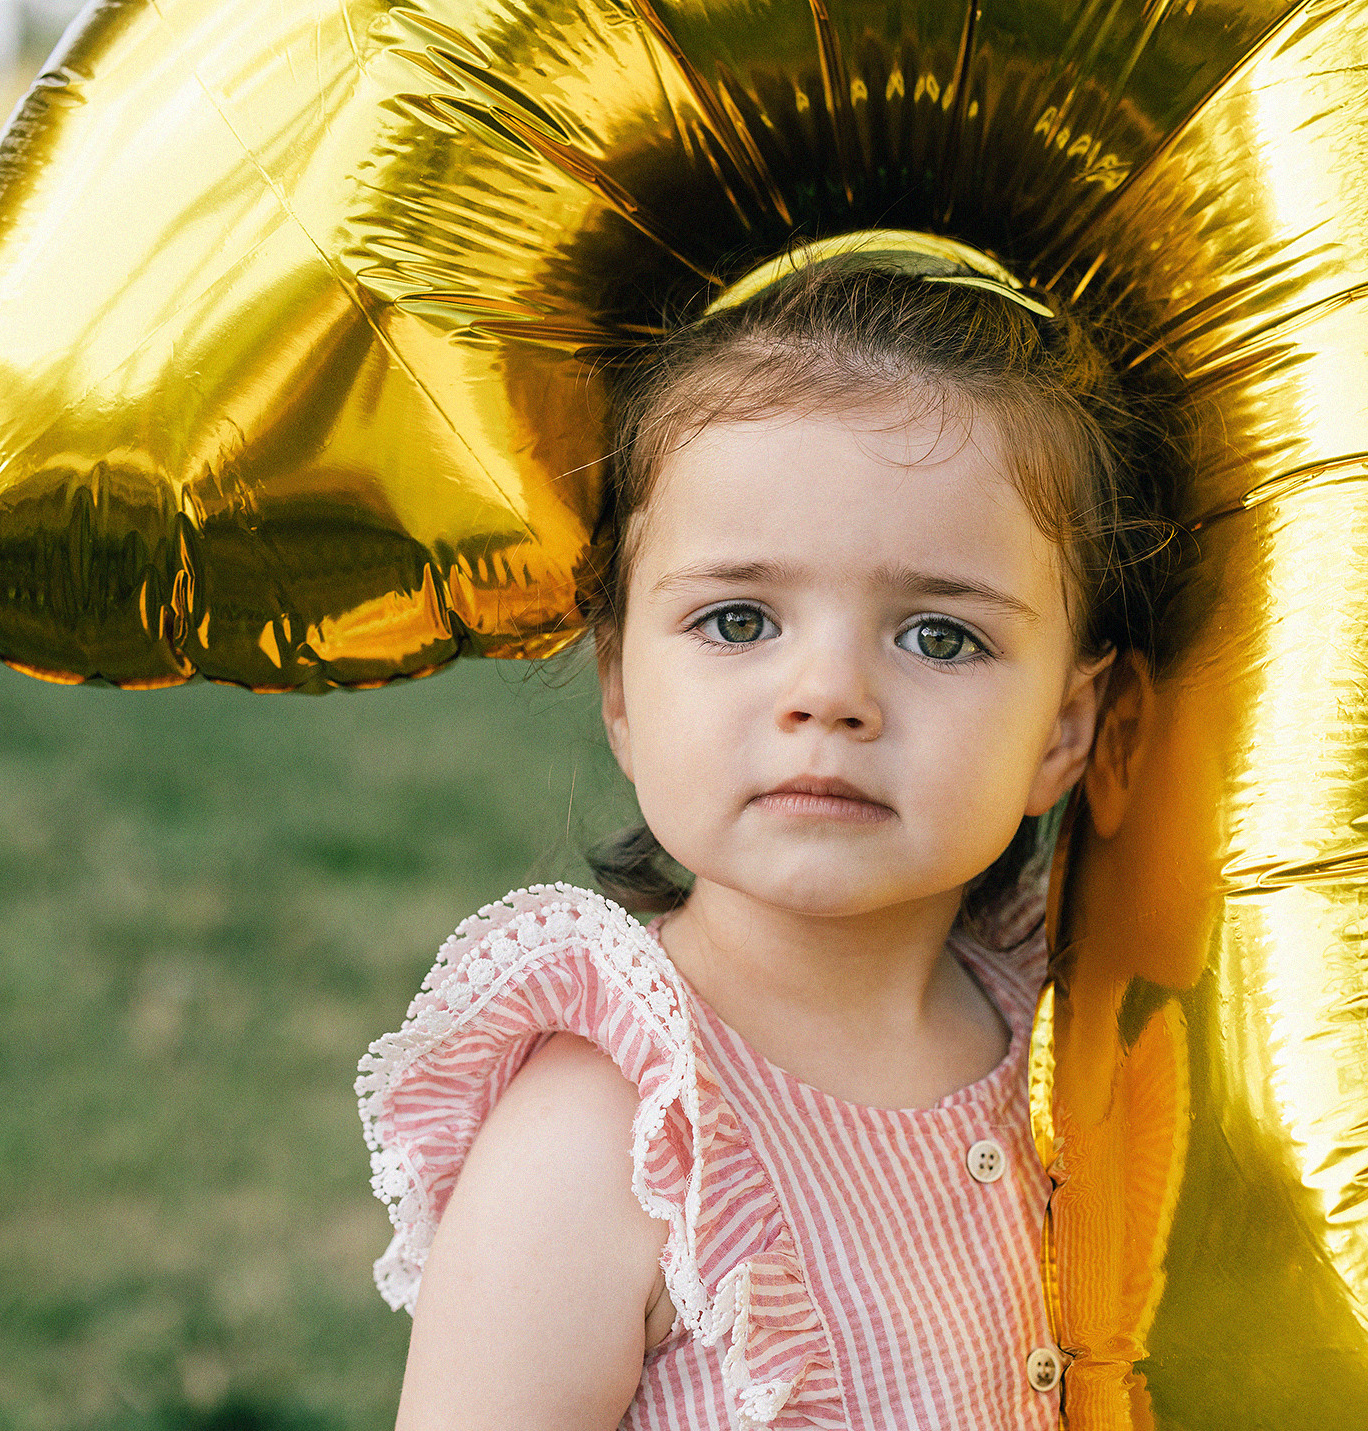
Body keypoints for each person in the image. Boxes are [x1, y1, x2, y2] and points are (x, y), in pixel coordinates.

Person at [357, 230, 1178, 1431]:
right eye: (738, 619)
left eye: (938, 636)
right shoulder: (613, 1139)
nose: (827, 692)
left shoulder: (1068, 1033)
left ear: (1065, 728)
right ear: (623, 692)